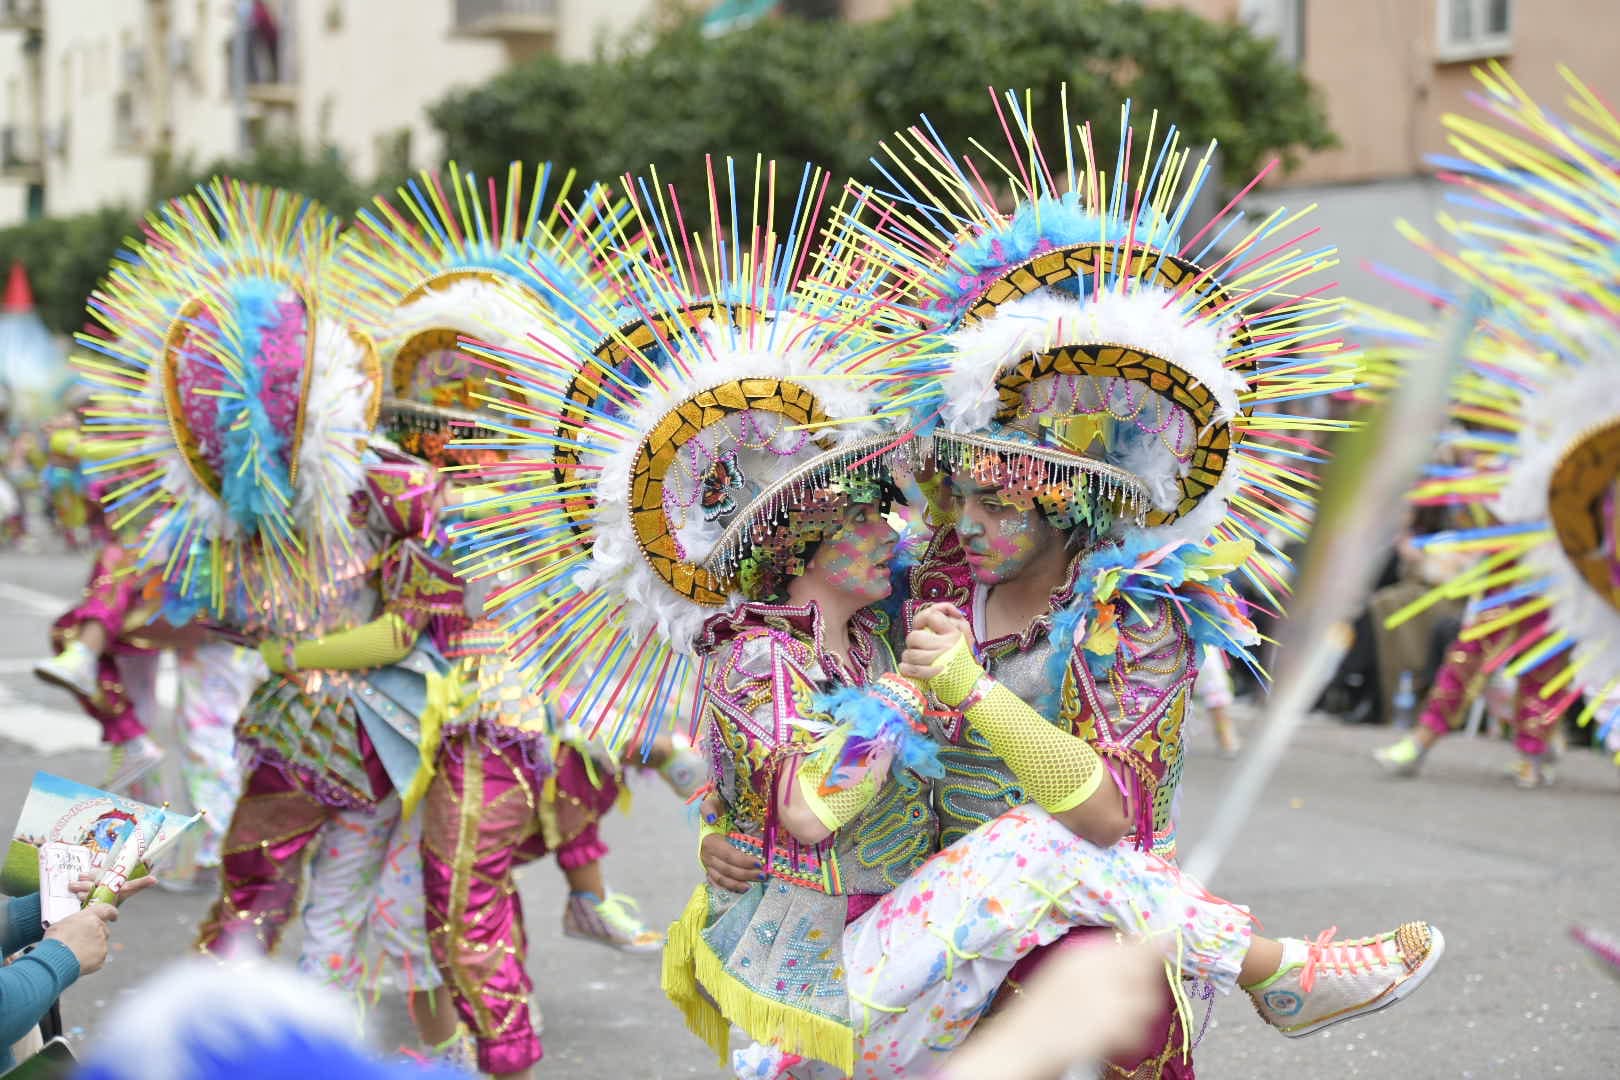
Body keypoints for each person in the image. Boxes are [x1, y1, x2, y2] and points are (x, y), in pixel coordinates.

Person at [462, 155, 1442, 1080]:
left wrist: (957, 692)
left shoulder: (1130, 617)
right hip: (872, 955)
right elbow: (784, 783)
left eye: (998, 504)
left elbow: (1104, 821)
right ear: (803, 546)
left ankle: (1270, 971)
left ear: (1068, 510)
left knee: (1054, 859)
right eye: (946, 496)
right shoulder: (875, 605)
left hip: (1069, 927)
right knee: (1028, 851)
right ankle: (1277, 967)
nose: (934, 525)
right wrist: (738, 838)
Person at [71, 178, 460, 1059]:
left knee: (260, 915)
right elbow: (406, 627)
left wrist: (283, 647)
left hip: (332, 733)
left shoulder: (338, 501)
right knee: (309, 919)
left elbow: (394, 628)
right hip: (357, 735)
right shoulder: (385, 490)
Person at [1363, 65, 1620, 790]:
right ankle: (1429, 737)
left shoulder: (1580, 381)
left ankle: (1536, 748)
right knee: (1479, 638)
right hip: (1522, 524)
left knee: (1554, 645)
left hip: (1580, 526)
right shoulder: (1515, 387)